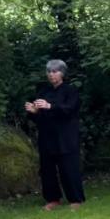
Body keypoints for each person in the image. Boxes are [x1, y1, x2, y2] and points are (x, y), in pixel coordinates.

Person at [25, 60, 85, 211]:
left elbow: (70, 110)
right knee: (47, 169)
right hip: (47, 135)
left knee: (69, 167)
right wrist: (34, 112)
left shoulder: (70, 91)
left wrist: (50, 106)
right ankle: (52, 199)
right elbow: (39, 118)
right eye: (49, 72)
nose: (51, 74)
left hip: (66, 136)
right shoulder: (43, 92)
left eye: (55, 71)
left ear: (62, 73)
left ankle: (75, 199)